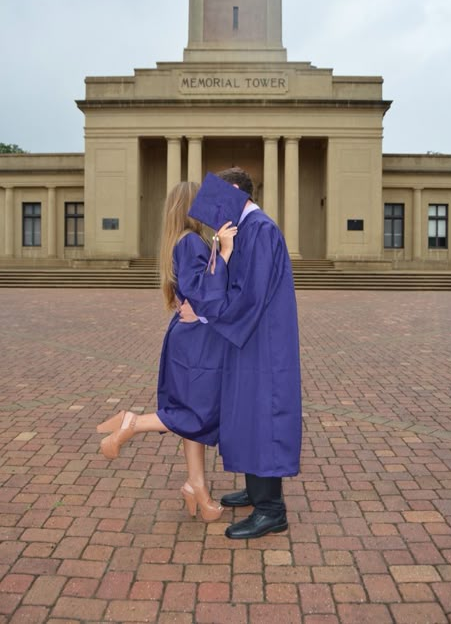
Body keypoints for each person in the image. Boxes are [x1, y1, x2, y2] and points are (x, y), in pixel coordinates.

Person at [96, 181, 238, 522]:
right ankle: (134, 423)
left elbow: (191, 289)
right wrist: (226, 253)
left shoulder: (182, 240)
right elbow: (200, 290)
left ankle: (196, 487)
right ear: (191, 206)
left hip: (191, 335)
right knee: (197, 411)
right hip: (196, 339)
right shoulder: (190, 241)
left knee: (194, 412)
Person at [180, 168, 302, 539]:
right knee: (247, 415)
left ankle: (271, 509)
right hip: (247, 340)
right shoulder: (244, 230)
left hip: (261, 343)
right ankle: (256, 491)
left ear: (234, 192)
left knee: (262, 416)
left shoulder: (260, 230)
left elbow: (248, 295)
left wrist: (202, 312)